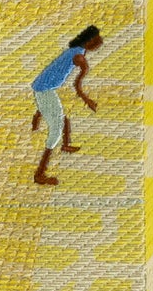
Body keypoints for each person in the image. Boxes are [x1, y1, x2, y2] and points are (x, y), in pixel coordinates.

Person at [31, 25, 103, 185]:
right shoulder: (79, 57)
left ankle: (65, 144)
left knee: (62, 115)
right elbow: (77, 85)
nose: (100, 42)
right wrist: (87, 100)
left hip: (45, 87)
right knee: (56, 129)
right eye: (96, 39)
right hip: (44, 90)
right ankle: (39, 174)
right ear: (89, 41)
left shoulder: (76, 51)